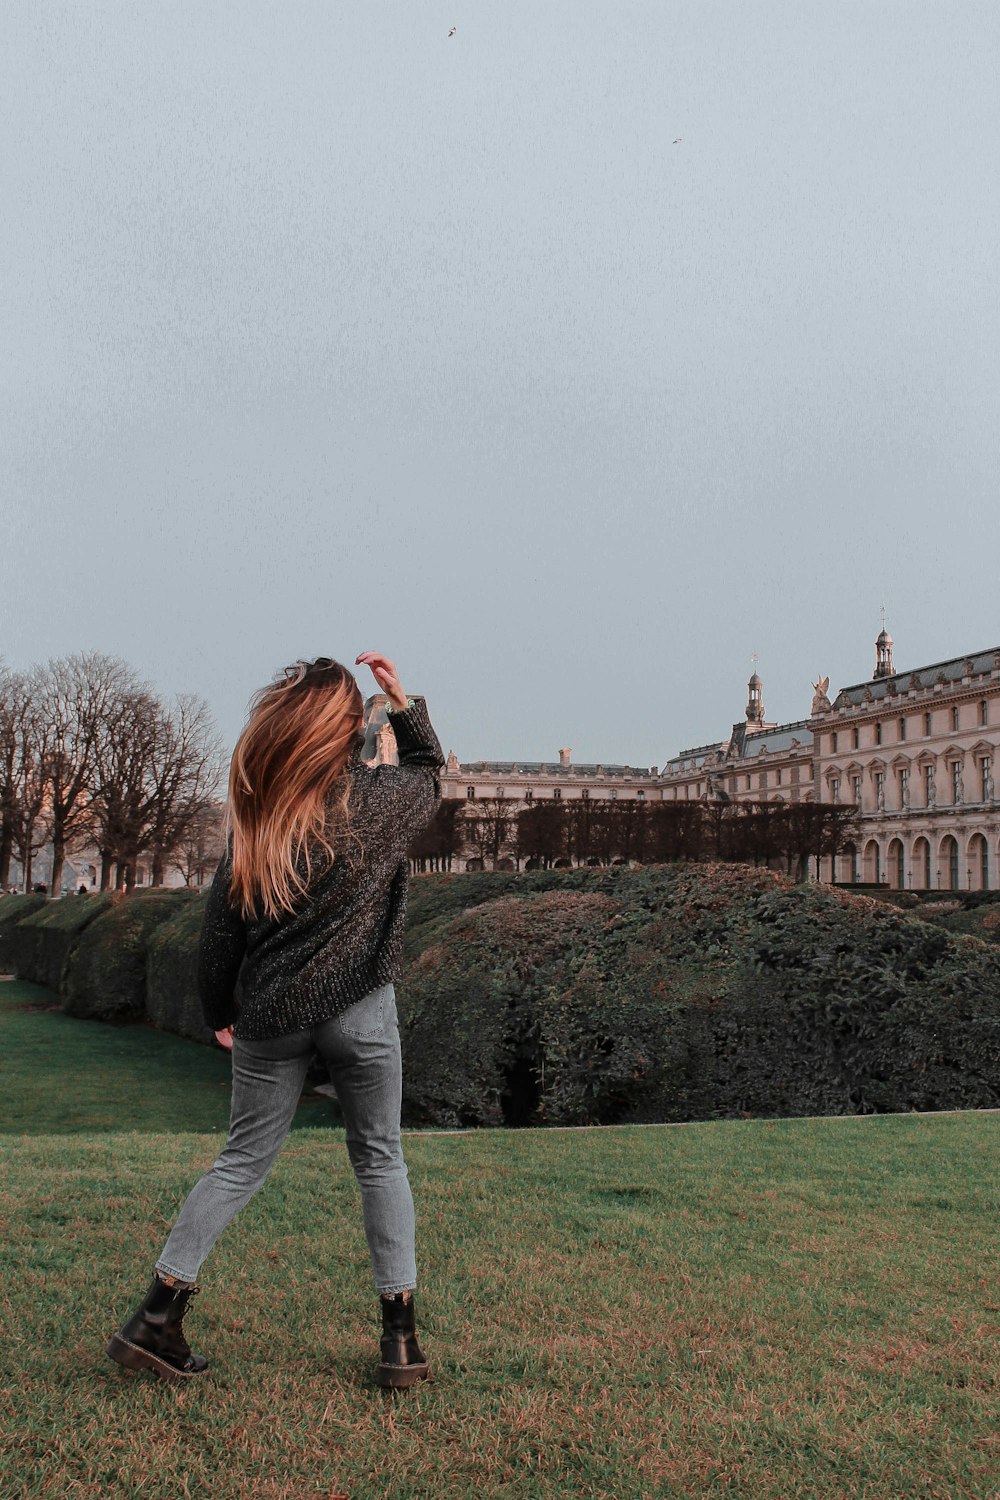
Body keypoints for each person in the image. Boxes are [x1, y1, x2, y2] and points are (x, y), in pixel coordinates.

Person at [106, 652, 445, 1390]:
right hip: (360, 1008)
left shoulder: (262, 817)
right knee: (380, 1160)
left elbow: (220, 931)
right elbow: (429, 775)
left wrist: (219, 1011)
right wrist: (403, 701)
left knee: (237, 1164)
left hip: (269, 1016)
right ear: (348, 731)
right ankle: (400, 1344)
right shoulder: (379, 802)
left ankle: (156, 1316)